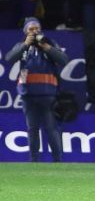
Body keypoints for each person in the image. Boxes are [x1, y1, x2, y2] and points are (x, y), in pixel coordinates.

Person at [4, 18, 68, 162]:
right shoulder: (22, 46)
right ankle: (34, 161)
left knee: (51, 128)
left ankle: (58, 160)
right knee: (32, 129)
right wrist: (25, 45)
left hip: (48, 95)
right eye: (31, 29)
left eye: (36, 29)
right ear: (26, 32)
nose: (34, 32)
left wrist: (46, 47)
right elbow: (9, 58)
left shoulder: (49, 44)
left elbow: (63, 60)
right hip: (28, 95)